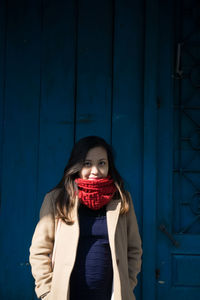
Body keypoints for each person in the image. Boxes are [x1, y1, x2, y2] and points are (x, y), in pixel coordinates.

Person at [29, 136, 142, 300]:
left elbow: (134, 249)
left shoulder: (122, 200)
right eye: (87, 163)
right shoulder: (57, 199)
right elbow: (39, 251)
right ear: (77, 165)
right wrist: (46, 291)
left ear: (109, 165)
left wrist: (127, 285)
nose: (95, 171)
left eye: (101, 163)